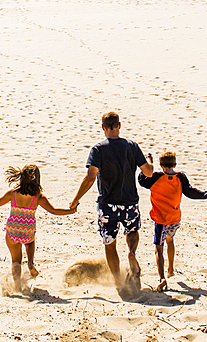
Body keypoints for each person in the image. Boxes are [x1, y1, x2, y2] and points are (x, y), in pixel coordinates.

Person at [70, 111, 154, 299]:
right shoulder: (132, 146)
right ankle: (132, 253)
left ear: (103, 128)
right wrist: (150, 161)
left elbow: (90, 178)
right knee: (132, 232)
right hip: (130, 202)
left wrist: (76, 200)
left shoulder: (98, 149)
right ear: (119, 126)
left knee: (110, 243)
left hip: (108, 205)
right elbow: (148, 173)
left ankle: (118, 282)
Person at [137, 151, 207, 292]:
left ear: (161, 165)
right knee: (170, 240)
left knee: (159, 247)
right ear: (175, 164)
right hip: (175, 218)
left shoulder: (156, 177)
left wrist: (149, 163)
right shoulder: (180, 177)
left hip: (161, 220)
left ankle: (162, 278)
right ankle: (171, 269)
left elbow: (142, 180)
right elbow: (191, 192)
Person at [0, 164, 77, 292]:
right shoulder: (38, 197)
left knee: (16, 260)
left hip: (12, 230)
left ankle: (17, 287)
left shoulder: (12, 194)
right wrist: (70, 211)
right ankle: (30, 263)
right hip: (27, 231)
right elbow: (54, 211)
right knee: (30, 242)